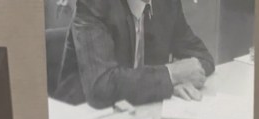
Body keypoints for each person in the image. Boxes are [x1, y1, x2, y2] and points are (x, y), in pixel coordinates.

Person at [55, 0, 215, 108]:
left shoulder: (167, 3)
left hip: (138, 112)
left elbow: (203, 57)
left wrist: (175, 80)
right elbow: (101, 87)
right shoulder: (94, 3)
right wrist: (170, 76)